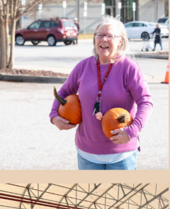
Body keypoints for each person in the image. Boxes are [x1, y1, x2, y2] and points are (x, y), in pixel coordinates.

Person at [50, 15, 153, 170]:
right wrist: (53, 116)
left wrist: (132, 131)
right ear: (95, 40)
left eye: (110, 36)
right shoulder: (83, 67)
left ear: (120, 42)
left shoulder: (129, 68)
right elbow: (64, 92)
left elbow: (146, 102)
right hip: (87, 154)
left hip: (121, 155)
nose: (104, 39)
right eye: (100, 35)